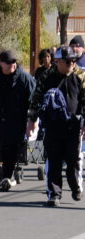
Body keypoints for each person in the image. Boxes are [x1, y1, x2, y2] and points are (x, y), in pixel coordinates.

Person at [28, 45, 85, 206]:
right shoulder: (46, 76)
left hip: (73, 126)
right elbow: (36, 98)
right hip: (52, 126)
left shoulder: (80, 76)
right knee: (53, 161)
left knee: (73, 159)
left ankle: (75, 188)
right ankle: (54, 194)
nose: (71, 64)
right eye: (67, 61)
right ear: (57, 61)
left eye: (74, 61)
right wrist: (31, 120)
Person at [0, 50, 36, 191]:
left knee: (12, 147)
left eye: (14, 62)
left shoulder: (24, 78)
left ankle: (7, 177)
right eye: (8, 63)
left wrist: (33, 119)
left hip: (17, 119)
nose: (12, 65)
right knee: (2, 145)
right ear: (1, 63)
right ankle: (7, 174)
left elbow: (34, 99)